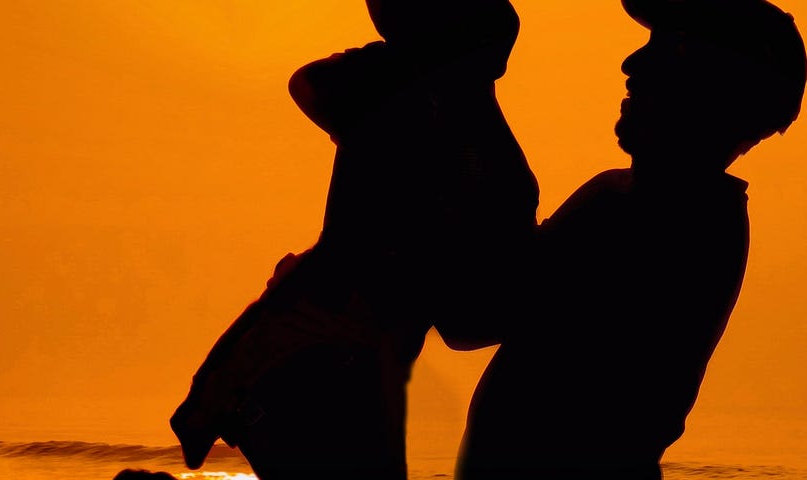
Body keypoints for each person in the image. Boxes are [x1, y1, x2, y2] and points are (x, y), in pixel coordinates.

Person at [170, 1, 536, 478]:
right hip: (324, 365)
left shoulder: (402, 106)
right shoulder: (483, 158)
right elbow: (467, 322)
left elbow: (310, 82)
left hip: (321, 361)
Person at [456, 0, 807, 478]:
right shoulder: (680, 211)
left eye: (668, 49)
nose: (632, 64)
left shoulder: (645, 212)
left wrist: (471, 93)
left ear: (713, 85)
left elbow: (471, 317)